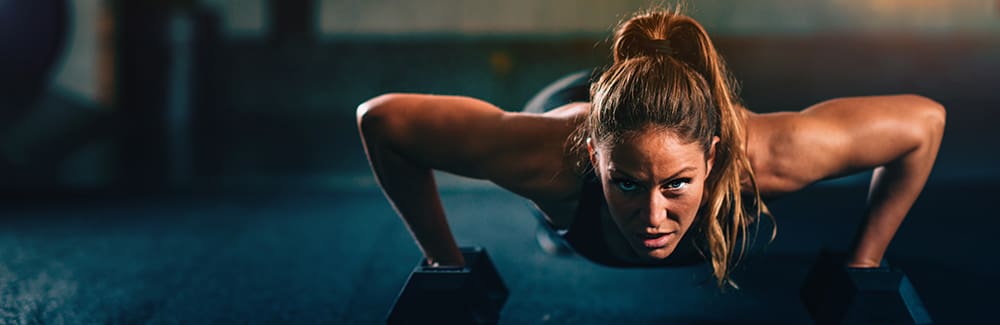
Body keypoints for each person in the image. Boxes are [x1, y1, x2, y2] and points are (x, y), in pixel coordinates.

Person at [356, 7, 946, 287]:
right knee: (557, 220)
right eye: (630, 185)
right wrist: (444, 262)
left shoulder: (764, 157)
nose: (655, 218)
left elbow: (924, 122)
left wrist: (864, 263)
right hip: (572, 110)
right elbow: (381, 120)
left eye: (677, 185)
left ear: (712, 159)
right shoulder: (546, 158)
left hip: (673, 120)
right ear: (595, 160)